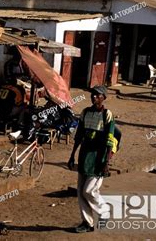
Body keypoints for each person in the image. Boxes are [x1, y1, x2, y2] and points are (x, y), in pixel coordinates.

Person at [67, 85, 117, 233]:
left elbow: (110, 139)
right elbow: (79, 136)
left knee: (89, 191)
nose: (94, 97)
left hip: (99, 157)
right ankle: (87, 223)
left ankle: (104, 211)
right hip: (84, 155)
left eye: (97, 95)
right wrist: (72, 156)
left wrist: (107, 162)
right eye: (92, 95)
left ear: (104, 97)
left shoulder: (107, 114)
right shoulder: (85, 112)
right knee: (80, 191)